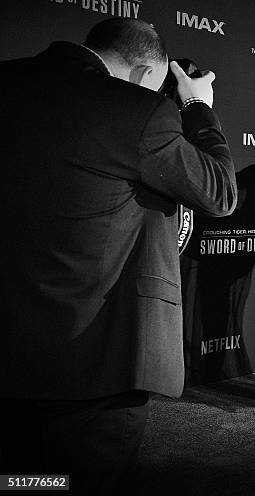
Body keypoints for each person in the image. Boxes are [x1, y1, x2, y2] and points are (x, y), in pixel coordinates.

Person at [0, 18, 236, 492]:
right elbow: (220, 191)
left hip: (9, 360)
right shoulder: (139, 111)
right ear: (144, 74)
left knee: (21, 484)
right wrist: (195, 106)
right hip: (93, 371)